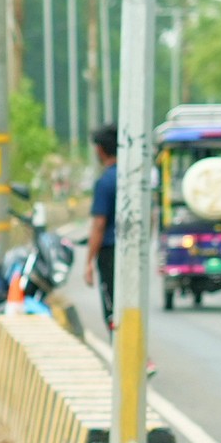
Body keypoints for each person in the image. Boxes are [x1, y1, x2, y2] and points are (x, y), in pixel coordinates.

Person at [86, 123, 122, 330]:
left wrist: (89, 261)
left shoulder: (105, 182)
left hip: (109, 252)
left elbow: (99, 224)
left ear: (100, 150)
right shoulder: (132, 180)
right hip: (131, 253)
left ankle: (117, 345)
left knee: (112, 310)